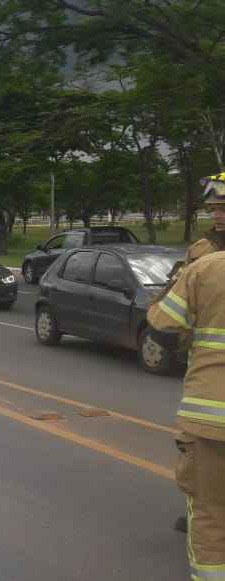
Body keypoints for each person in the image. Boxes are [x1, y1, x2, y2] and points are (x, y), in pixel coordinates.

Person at [147, 180, 225, 579]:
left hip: (212, 412)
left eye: (222, 210)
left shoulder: (205, 264)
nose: (217, 216)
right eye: (215, 209)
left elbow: (162, 323)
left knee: (211, 509)